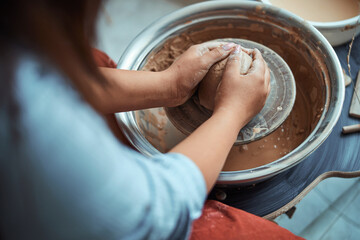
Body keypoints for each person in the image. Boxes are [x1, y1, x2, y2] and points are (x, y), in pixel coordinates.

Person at [0, 1, 303, 239]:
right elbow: (159, 213)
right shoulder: (23, 124)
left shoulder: (18, 55)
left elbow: (60, 78)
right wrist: (232, 113)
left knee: (92, 61)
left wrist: (170, 85)